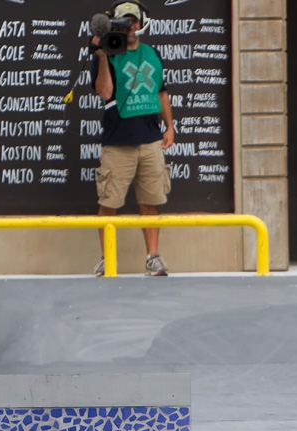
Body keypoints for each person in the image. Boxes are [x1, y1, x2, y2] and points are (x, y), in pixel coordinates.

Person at [90, 1, 174, 277]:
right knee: (109, 203)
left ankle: (153, 257)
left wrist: (170, 127)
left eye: (133, 21)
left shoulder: (152, 54)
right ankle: (107, 259)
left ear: (141, 23)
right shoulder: (108, 54)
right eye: (124, 22)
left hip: (150, 139)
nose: (130, 27)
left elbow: (162, 93)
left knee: (151, 201)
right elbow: (104, 93)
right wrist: (101, 55)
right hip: (117, 142)